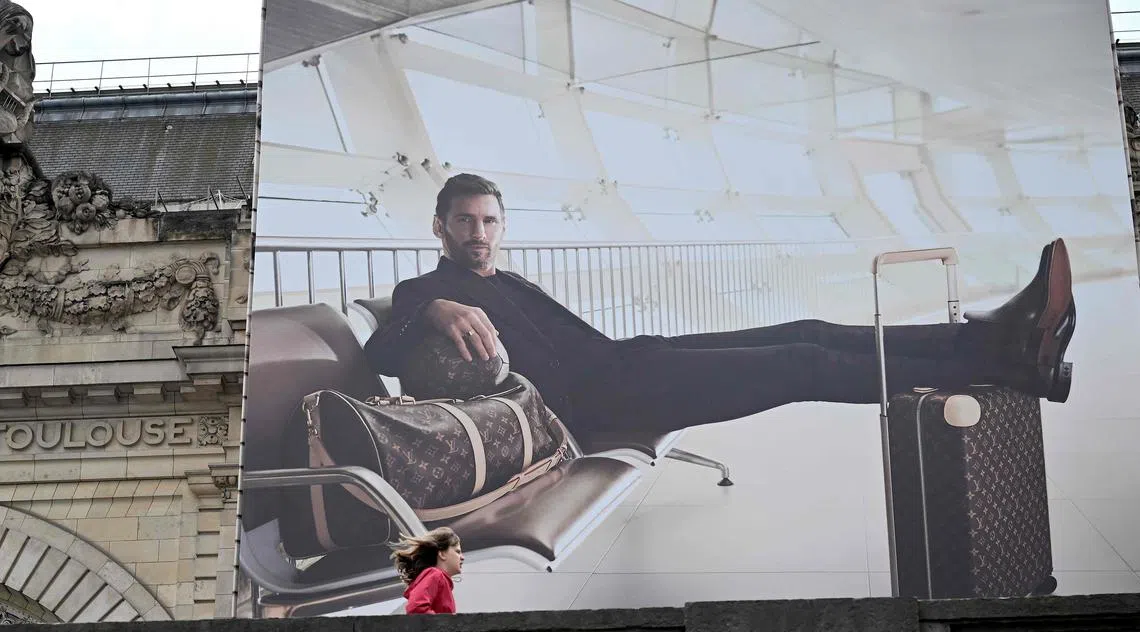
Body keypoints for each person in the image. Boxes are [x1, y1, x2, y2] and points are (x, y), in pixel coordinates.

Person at [365, 173, 1077, 440]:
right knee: (801, 363)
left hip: (630, 360)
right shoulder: (426, 292)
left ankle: (996, 347)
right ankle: (1010, 359)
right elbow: (383, 348)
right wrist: (431, 310)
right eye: (463, 221)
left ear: (501, 225)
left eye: (489, 221)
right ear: (439, 228)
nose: (478, 234)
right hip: (600, 407)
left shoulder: (506, 282)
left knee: (807, 327)